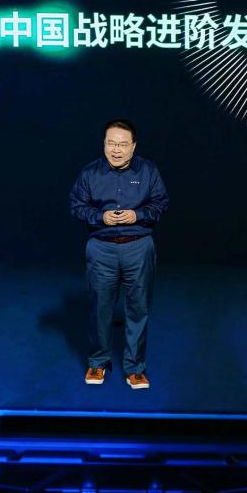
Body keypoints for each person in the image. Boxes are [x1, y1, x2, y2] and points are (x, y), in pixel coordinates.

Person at [69, 119, 168, 390]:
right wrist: (100, 217)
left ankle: (135, 368)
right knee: (100, 307)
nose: (116, 149)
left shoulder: (148, 171)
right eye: (111, 143)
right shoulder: (90, 173)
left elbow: (161, 204)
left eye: (122, 144)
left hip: (139, 246)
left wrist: (138, 214)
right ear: (104, 144)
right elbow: (76, 206)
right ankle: (98, 361)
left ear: (133, 146)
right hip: (101, 248)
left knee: (138, 308)